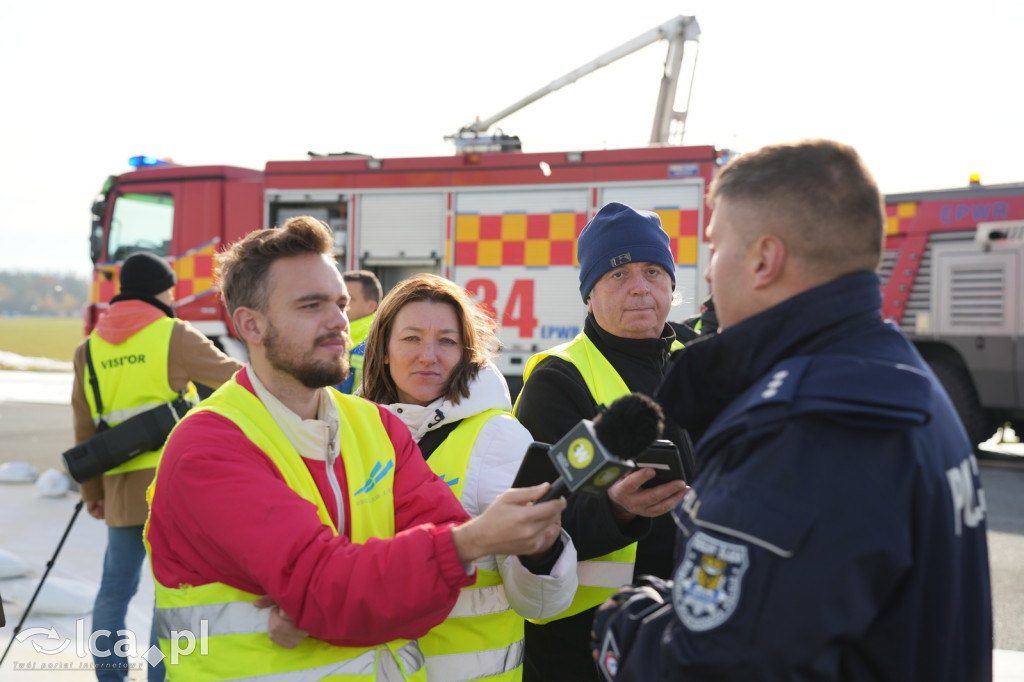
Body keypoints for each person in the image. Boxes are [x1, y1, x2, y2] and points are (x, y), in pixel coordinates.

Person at [592, 139, 993, 681]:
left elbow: (711, 669)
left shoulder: (800, 429)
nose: (708, 274)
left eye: (716, 247)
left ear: (764, 260)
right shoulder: (903, 378)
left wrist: (625, 628)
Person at [144, 216, 567, 681]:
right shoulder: (208, 446)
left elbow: (427, 592)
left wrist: (331, 606)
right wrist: (466, 543)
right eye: (311, 305)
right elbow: (332, 587)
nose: (338, 322)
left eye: (340, 303)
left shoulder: (377, 426)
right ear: (251, 325)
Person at [359, 273, 578, 681]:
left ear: (466, 353)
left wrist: (541, 553)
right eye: (411, 338)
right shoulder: (354, 435)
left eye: (446, 341)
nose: (428, 355)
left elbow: (542, 604)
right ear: (384, 350)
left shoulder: (498, 437)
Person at [512, 201, 692, 682]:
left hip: (690, 630)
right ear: (589, 295)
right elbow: (532, 520)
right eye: (618, 274)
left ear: (671, 285)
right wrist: (616, 509)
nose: (640, 287)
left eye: (653, 271)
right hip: (587, 648)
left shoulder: (697, 363)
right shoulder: (558, 379)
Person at [71, 251, 242, 682]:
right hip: (174, 487)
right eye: (170, 289)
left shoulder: (88, 350)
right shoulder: (173, 334)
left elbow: (84, 427)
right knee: (170, 591)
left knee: (114, 590)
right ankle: (160, 677)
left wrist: (92, 492)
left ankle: (110, 675)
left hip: (120, 488)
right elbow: (237, 379)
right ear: (159, 290)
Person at [336, 269, 382, 394]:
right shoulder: (327, 334)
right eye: (338, 297)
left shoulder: (380, 342)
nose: (340, 303)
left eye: (349, 299)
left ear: (371, 306)